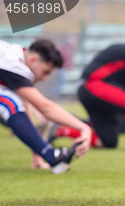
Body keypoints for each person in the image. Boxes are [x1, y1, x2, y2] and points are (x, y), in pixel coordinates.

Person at [0, 38, 91, 174]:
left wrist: (38, 155)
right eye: (46, 72)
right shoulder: (13, 64)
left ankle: (50, 155)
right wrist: (84, 127)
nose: (44, 78)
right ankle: (53, 156)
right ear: (33, 61)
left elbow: (24, 110)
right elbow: (46, 108)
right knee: (9, 101)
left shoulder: (15, 57)